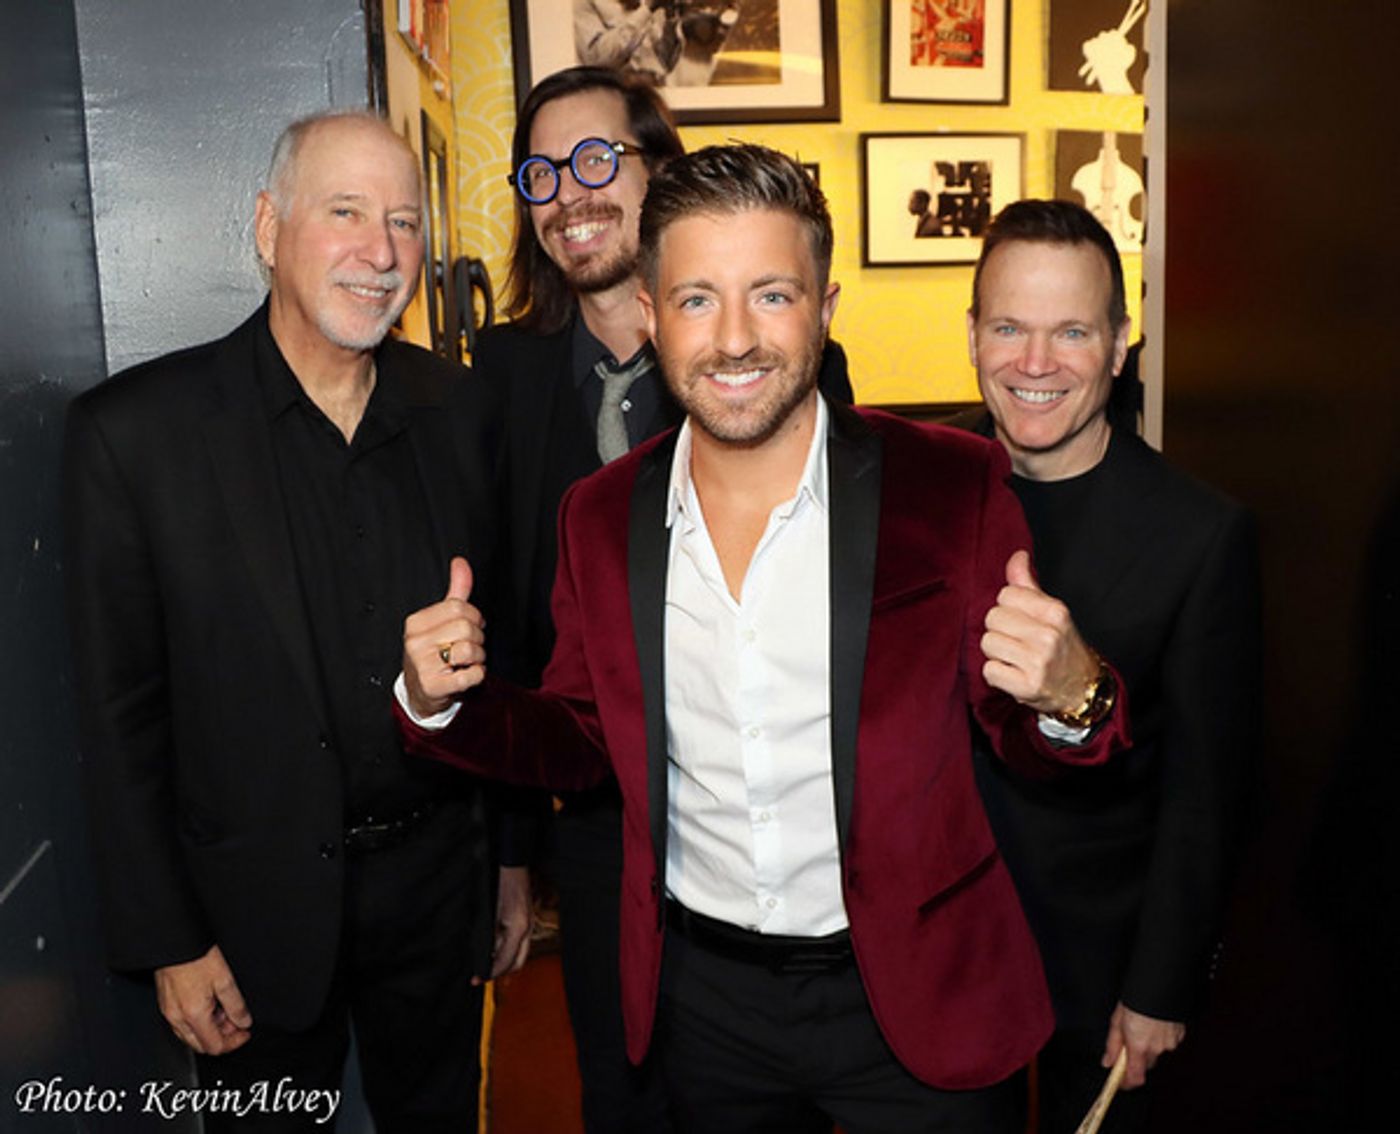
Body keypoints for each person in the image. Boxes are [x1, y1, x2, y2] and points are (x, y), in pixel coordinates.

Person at [399, 144, 1129, 1134]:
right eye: (697, 299)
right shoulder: (599, 515)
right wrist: (444, 702)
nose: (733, 338)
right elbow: (580, 735)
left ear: (824, 308)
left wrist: (1072, 695)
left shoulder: (948, 487)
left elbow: (1019, 734)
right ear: (652, 316)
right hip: (705, 1007)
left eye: (770, 295)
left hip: (915, 996)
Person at [63, 110, 527, 1132]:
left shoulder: (460, 413)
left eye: (404, 221)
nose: (381, 251)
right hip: (247, 916)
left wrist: (503, 862)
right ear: (269, 227)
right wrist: (169, 941)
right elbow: (118, 718)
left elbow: (492, 665)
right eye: (345, 212)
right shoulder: (134, 437)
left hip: (434, 887)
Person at [481, 65, 851, 1133]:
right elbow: (506, 621)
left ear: (659, 169)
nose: (570, 194)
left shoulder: (771, 365)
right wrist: (512, 861)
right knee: (627, 1089)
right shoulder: (500, 375)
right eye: (543, 172)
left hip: (770, 820)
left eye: (597, 159)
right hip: (598, 821)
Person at [961, 199, 1259, 1132]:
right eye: (1008, 327)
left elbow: (1208, 790)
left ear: (1122, 344)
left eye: (1072, 332)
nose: (1035, 363)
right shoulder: (920, 493)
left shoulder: (1201, 534)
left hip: (1101, 962)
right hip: (944, 954)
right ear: (971, 335)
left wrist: (1161, 985)